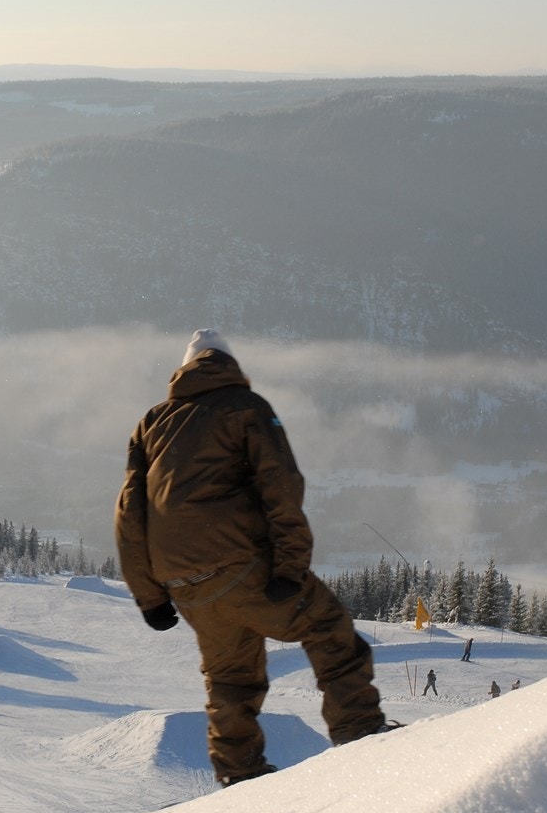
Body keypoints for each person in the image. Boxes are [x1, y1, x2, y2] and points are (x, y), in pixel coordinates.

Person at [116, 329, 389, 787]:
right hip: (241, 564)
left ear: (185, 369)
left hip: (184, 584)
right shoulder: (247, 408)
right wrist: (289, 567)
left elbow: (129, 512)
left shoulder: (151, 423)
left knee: (231, 678)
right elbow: (281, 487)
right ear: (228, 364)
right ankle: (359, 730)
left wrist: (150, 597)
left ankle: (239, 774)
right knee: (329, 628)